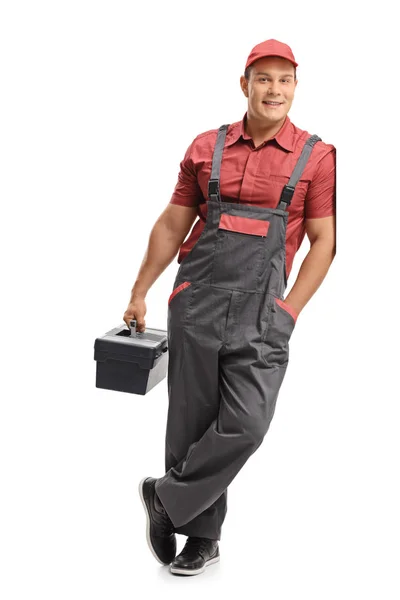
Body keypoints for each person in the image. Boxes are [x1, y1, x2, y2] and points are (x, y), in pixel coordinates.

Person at [124, 38, 336, 576]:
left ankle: (166, 499)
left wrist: (289, 313)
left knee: (247, 424)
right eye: (263, 78)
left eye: (285, 80)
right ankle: (202, 541)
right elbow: (173, 223)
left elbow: (323, 243)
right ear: (244, 85)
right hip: (196, 302)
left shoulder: (317, 156)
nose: (275, 89)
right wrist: (140, 290)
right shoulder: (206, 147)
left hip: (264, 312)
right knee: (191, 423)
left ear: (295, 87)